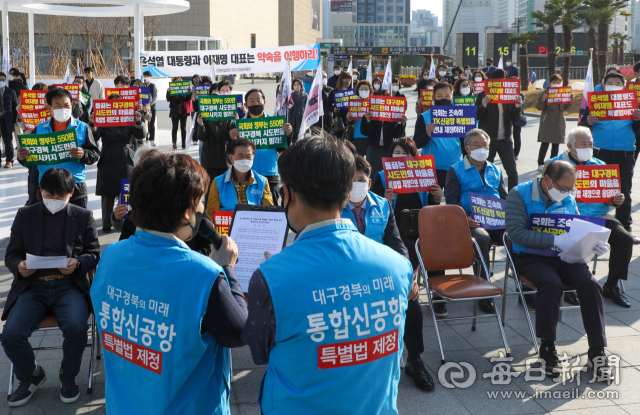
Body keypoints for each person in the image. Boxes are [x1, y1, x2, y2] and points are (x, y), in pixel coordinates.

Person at [241, 134, 414, 414]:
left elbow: (259, 353)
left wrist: (277, 273)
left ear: (288, 193)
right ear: (348, 194)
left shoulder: (270, 277)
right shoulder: (398, 265)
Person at [91, 150, 247, 414]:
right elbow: (239, 331)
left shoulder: (110, 257)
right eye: (199, 202)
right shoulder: (203, 274)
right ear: (187, 212)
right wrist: (227, 268)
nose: (202, 210)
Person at [505, 160, 612, 379]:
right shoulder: (520, 194)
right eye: (563, 188)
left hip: (565, 256)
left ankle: (597, 351)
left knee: (591, 284)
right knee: (551, 284)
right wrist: (553, 239)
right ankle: (547, 348)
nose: (568, 193)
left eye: (571, 188)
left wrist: (594, 244)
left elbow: (577, 228)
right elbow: (516, 233)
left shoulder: (569, 196)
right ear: (547, 180)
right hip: (531, 256)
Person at [3, 168, 100, 407]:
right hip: (33, 287)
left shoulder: (83, 216)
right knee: (10, 335)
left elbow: (94, 254)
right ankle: (30, 374)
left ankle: (68, 375)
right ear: (40, 191)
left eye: (60, 197)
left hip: (69, 286)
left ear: (71, 192)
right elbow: (11, 254)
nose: (53, 201)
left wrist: (78, 263)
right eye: (49, 196)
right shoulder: (26, 215)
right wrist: (20, 266)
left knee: (78, 328)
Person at [343, 154, 435, 392]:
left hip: (379, 275)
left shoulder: (382, 205)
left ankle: (414, 360)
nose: (356, 186)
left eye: (361, 180)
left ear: (369, 183)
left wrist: (408, 276)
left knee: (412, 301)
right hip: (346, 275)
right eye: (351, 181)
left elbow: (397, 245)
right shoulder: (333, 206)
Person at [545, 127, 634, 308]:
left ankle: (611, 285)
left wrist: (616, 201)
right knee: (570, 238)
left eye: (590, 143)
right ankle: (569, 286)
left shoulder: (601, 166)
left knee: (624, 238)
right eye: (583, 143)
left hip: (597, 215)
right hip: (567, 216)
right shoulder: (554, 165)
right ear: (570, 146)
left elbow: (610, 199)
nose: (589, 147)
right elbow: (543, 194)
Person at [370, 137, 445, 313]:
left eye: (406, 153)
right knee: (410, 247)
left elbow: (431, 208)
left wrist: (436, 198)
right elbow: (373, 208)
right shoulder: (381, 177)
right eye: (397, 153)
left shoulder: (424, 174)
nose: (402, 157)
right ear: (390, 156)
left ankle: (438, 296)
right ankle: (407, 291)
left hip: (422, 225)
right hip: (397, 228)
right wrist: (385, 201)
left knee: (435, 247)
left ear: (414, 156)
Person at [445, 129, 507, 314]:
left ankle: (526, 285)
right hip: (470, 220)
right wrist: (465, 217)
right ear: (467, 148)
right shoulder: (455, 170)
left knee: (513, 236)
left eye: (485, 145)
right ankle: (484, 292)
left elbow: (503, 198)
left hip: (494, 219)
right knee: (482, 239)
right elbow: (452, 202)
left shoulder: (495, 169)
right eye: (477, 145)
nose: (482, 148)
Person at [579, 72, 640, 244]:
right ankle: (595, 227)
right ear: (604, 86)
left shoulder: (632, 105)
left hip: (625, 152)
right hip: (600, 152)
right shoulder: (596, 104)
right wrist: (588, 122)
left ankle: (625, 229)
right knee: (597, 190)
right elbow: (581, 128)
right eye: (610, 82)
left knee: (624, 191)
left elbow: (638, 131)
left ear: (623, 86)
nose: (614, 84)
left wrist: (637, 119)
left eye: (617, 82)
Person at [17, 88, 100, 208]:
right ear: (49, 108)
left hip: (75, 188)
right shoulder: (39, 129)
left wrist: (83, 154)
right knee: (48, 226)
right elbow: (30, 161)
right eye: (58, 106)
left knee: (77, 223)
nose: (63, 109)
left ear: (71, 106)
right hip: (47, 188)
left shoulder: (82, 127)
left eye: (66, 105)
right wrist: (22, 157)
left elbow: (95, 154)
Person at [89, 93, 144, 233]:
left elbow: (141, 135)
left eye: (118, 105)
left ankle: (127, 221)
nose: (116, 108)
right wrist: (93, 124)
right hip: (108, 157)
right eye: (112, 105)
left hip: (127, 158)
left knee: (127, 190)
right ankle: (106, 223)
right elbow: (94, 137)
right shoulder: (103, 117)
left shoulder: (130, 116)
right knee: (107, 193)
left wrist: (138, 121)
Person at [228, 88, 293, 206]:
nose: (256, 103)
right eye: (251, 101)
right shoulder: (237, 125)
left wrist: (288, 135)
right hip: (245, 174)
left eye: (259, 100)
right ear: (246, 105)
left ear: (264, 102)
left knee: (271, 210)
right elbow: (230, 151)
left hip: (270, 174)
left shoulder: (276, 124)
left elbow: (282, 149)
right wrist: (231, 139)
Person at [475, 69, 522, 190]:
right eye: (497, 81)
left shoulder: (510, 95)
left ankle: (513, 195)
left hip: (505, 139)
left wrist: (517, 107)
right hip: (487, 140)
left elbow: (515, 118)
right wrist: (483, 106)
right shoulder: (483, 95)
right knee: (485, 169)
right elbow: (476, 116)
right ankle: (486, 193)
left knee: (511, 170)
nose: (500, 83)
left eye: (503, 81)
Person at [413, 81, 464, 188]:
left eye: (447, 95)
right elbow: (416, 143)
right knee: (433, 200)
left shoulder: (460, 115)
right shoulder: (424, 117)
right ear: (433, 98)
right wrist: (427, 135)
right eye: (439, 96)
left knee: (454, 200)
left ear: (452, 97)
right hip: (432, 169)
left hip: (456, 167)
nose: (444, 98)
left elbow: (465, 143)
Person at [206, 137, 274, 215]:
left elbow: (269, 212)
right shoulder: (218, 183)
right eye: (240, 156)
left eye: (248, 156)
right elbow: (212, 214)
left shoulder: (262, 182)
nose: (245, 160)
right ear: (231, 158)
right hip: (227, 226)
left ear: (253, 157)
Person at [360, 87, 408, 176]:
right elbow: (365, 132)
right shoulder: (370, 113)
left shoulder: (394, 114)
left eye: (385, 99)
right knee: (372, 173)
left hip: (388, 147)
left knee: (388, 173)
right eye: (379, 99)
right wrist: (368, 120)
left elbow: (398, 134)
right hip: (374, 147)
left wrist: (402, 123)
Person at [196, 83, 236, 185]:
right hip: (209, 160)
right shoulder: (204, 117)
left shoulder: (227, 118)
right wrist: (201, 125)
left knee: (225, 187)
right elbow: (202, 137)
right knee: (210, 188)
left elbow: (231, 138)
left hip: (224, 160)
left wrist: (235, 122)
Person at [536, 74, 573, 170]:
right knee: (545, 143)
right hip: (547, 121)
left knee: (556, 144)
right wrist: (543, 100)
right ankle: (540, 163)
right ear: (549, 83)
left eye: (558, 82)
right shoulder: (545, 93)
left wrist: (570, 100)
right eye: (554, 82)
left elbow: (565, 108)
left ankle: (552, 163)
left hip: (559, 121)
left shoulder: (563, 93)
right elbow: (539, 107)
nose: (556, 84)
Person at [347, 80, 374, 156]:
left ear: (370, 90)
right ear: (358, 90)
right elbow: (349, 122)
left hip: (371, 135)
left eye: (366, 89)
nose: (364, 91)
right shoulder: (353, 102)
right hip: (358, 134)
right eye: (362, 89)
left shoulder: (374, 102)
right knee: (359, 158)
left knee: (370, 159)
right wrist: (349, 119)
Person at [166, 76, 191, 149]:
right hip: (175, 111)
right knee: (175, 128)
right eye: (176, 81)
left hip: (183, 111)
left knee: (183, 128)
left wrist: (190, 91)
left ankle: (183, 143)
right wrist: (168, 92)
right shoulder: (171, 90)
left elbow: (188, 99)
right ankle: (174, 143)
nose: (178, 82)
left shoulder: (184, 89)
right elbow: (168, 99)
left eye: (179, 80)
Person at [0, 72, 18, 168]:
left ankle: (9, 160)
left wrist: (16, 121)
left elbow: (15, 107)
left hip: (6, 120)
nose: (1, 81)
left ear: (5, 80)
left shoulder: (11, 92)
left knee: (8, 141)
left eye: (2, 80)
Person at [288, 78, 308, 144]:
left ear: (301, 86)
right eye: (295, 84)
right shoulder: (290, 96)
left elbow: (307, 107)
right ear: (293, 86)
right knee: (293, 138)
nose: (296, 86)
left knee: (302, 138)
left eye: (298, 84)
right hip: (292, 119)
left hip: (301, 119)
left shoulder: (305, 95)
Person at [142, 71, 158, 146]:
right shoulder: (142, 85)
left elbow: (155, 97)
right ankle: (146, 138)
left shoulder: (153, 85)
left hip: (152, 108)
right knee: (145, 123)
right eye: (145, 76)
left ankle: (152, 139)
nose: (146, 78)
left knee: (152, 123)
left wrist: (150, 105)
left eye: (147, 76)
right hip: (143, 108)